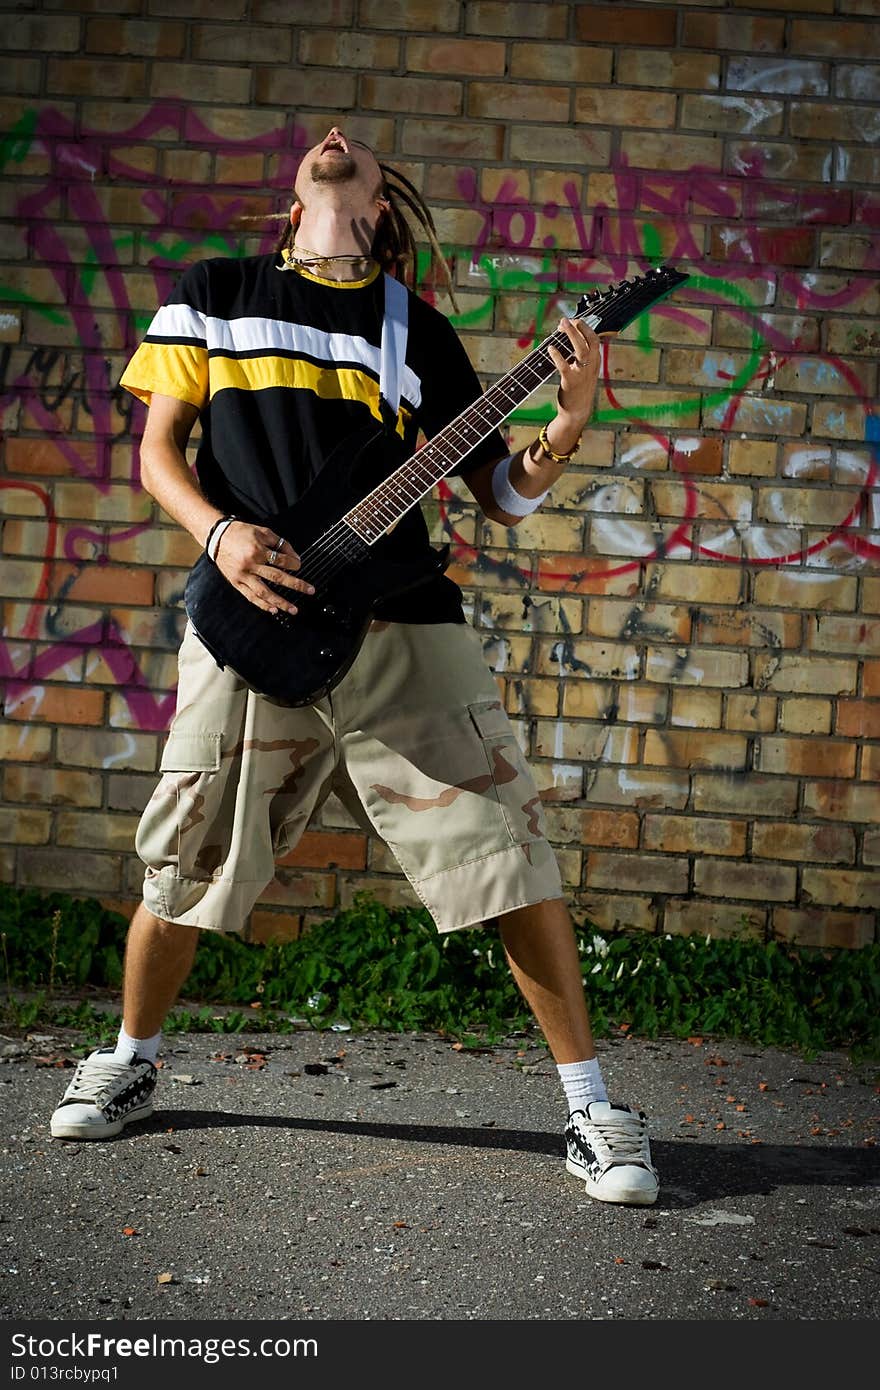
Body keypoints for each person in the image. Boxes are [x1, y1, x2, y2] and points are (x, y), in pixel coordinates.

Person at [49, 126, 658, 1206]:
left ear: (378, 201)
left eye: (360, 148)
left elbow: (500, 495)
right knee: (184, 856)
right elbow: (157, 453)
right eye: (325, 141)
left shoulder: (414, 332)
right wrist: (218, 535)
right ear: (296, 196)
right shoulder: (215, 292)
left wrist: (568, 422)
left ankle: (593, 1107)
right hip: (249, 612)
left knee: (507, 855)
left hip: (403, 627)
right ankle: (131, 1061)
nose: (335, 140)